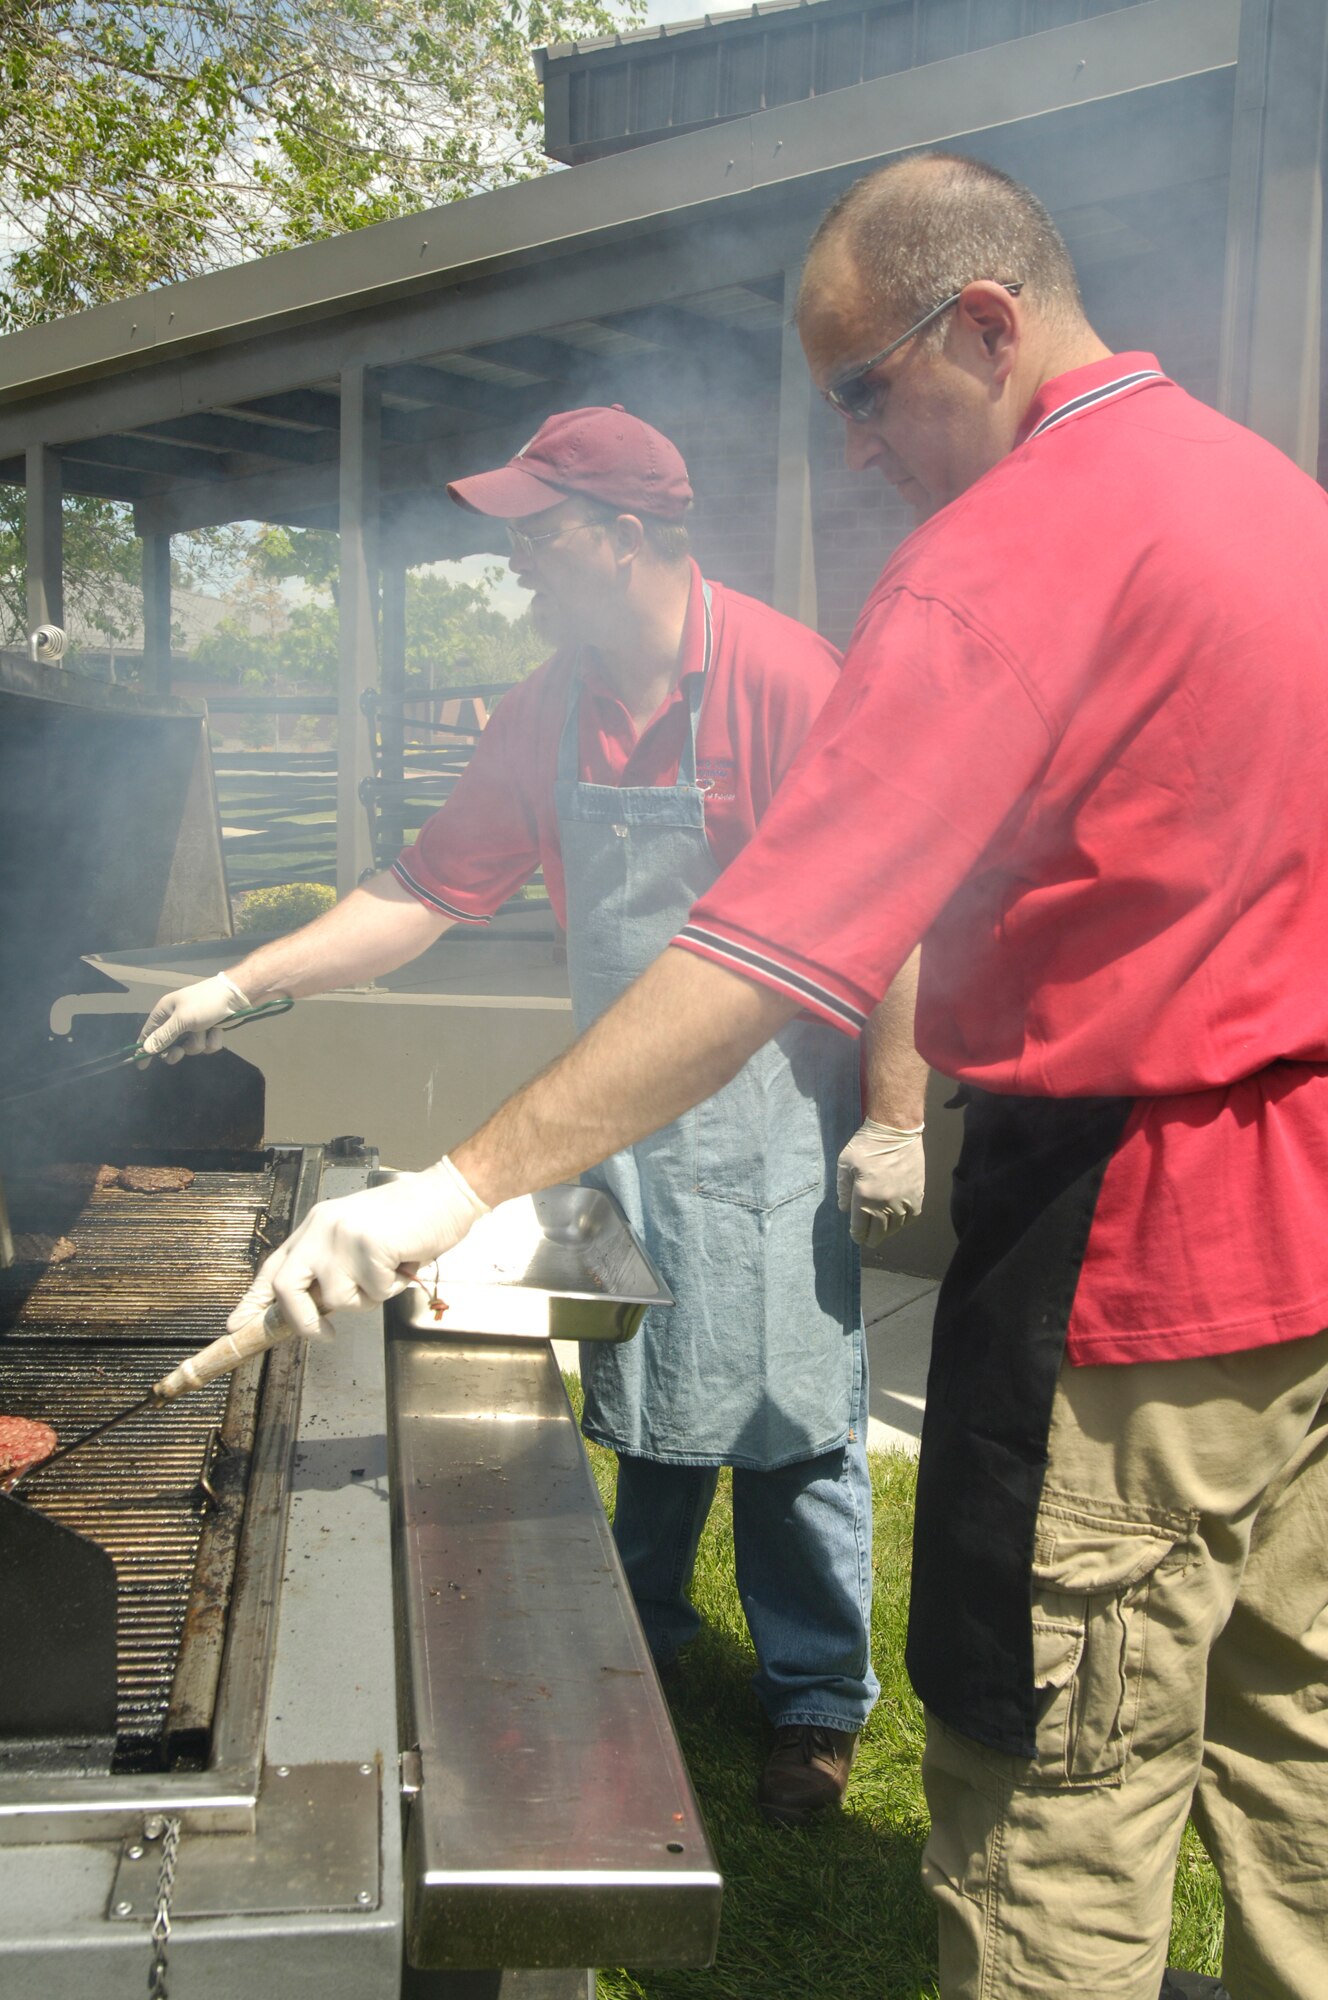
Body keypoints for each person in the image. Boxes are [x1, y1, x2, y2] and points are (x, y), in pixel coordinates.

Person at [232, 156, 1328, 1999]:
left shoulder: (996, 562)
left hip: (1124, 1267)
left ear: (982, 324)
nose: (847, 454)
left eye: (860, 393)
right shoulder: (1271, 496)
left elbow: (763, 957)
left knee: (1050, 1786)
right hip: (1300, 1265)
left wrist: (454, 1187)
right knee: (1296, 1750)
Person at [143, 405, 931, 1828]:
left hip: (771, 1115)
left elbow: (893, 908)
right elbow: (423, 891)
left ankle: (815, 1694)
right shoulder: (548, 703)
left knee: (796, 1416)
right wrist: (239, 983)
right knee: (653, 1381)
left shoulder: (780, 679)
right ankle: (638, 1634)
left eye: (539, 537)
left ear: (625, 540)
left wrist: (895, 1111)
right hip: (622, 1112)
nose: (517, 567)